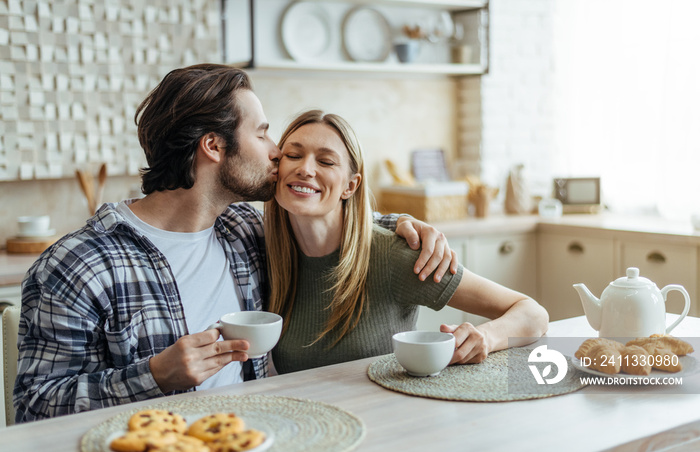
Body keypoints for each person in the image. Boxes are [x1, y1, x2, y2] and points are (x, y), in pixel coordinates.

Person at [13, 65, 457, 423]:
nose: (276, 152)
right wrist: (154, 376)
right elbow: (34, 408)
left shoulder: (244, 231)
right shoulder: (77, 265)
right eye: (262, 133)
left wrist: (400, 223)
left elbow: (328, 213)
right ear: (213, 146)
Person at [265, 110, 550, 374]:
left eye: (325, 161)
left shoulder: (392, 256)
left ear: (350, 186)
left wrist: (485, 337)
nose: (305, 169)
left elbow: (532, 314)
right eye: (293, 155)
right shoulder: (261, 253)